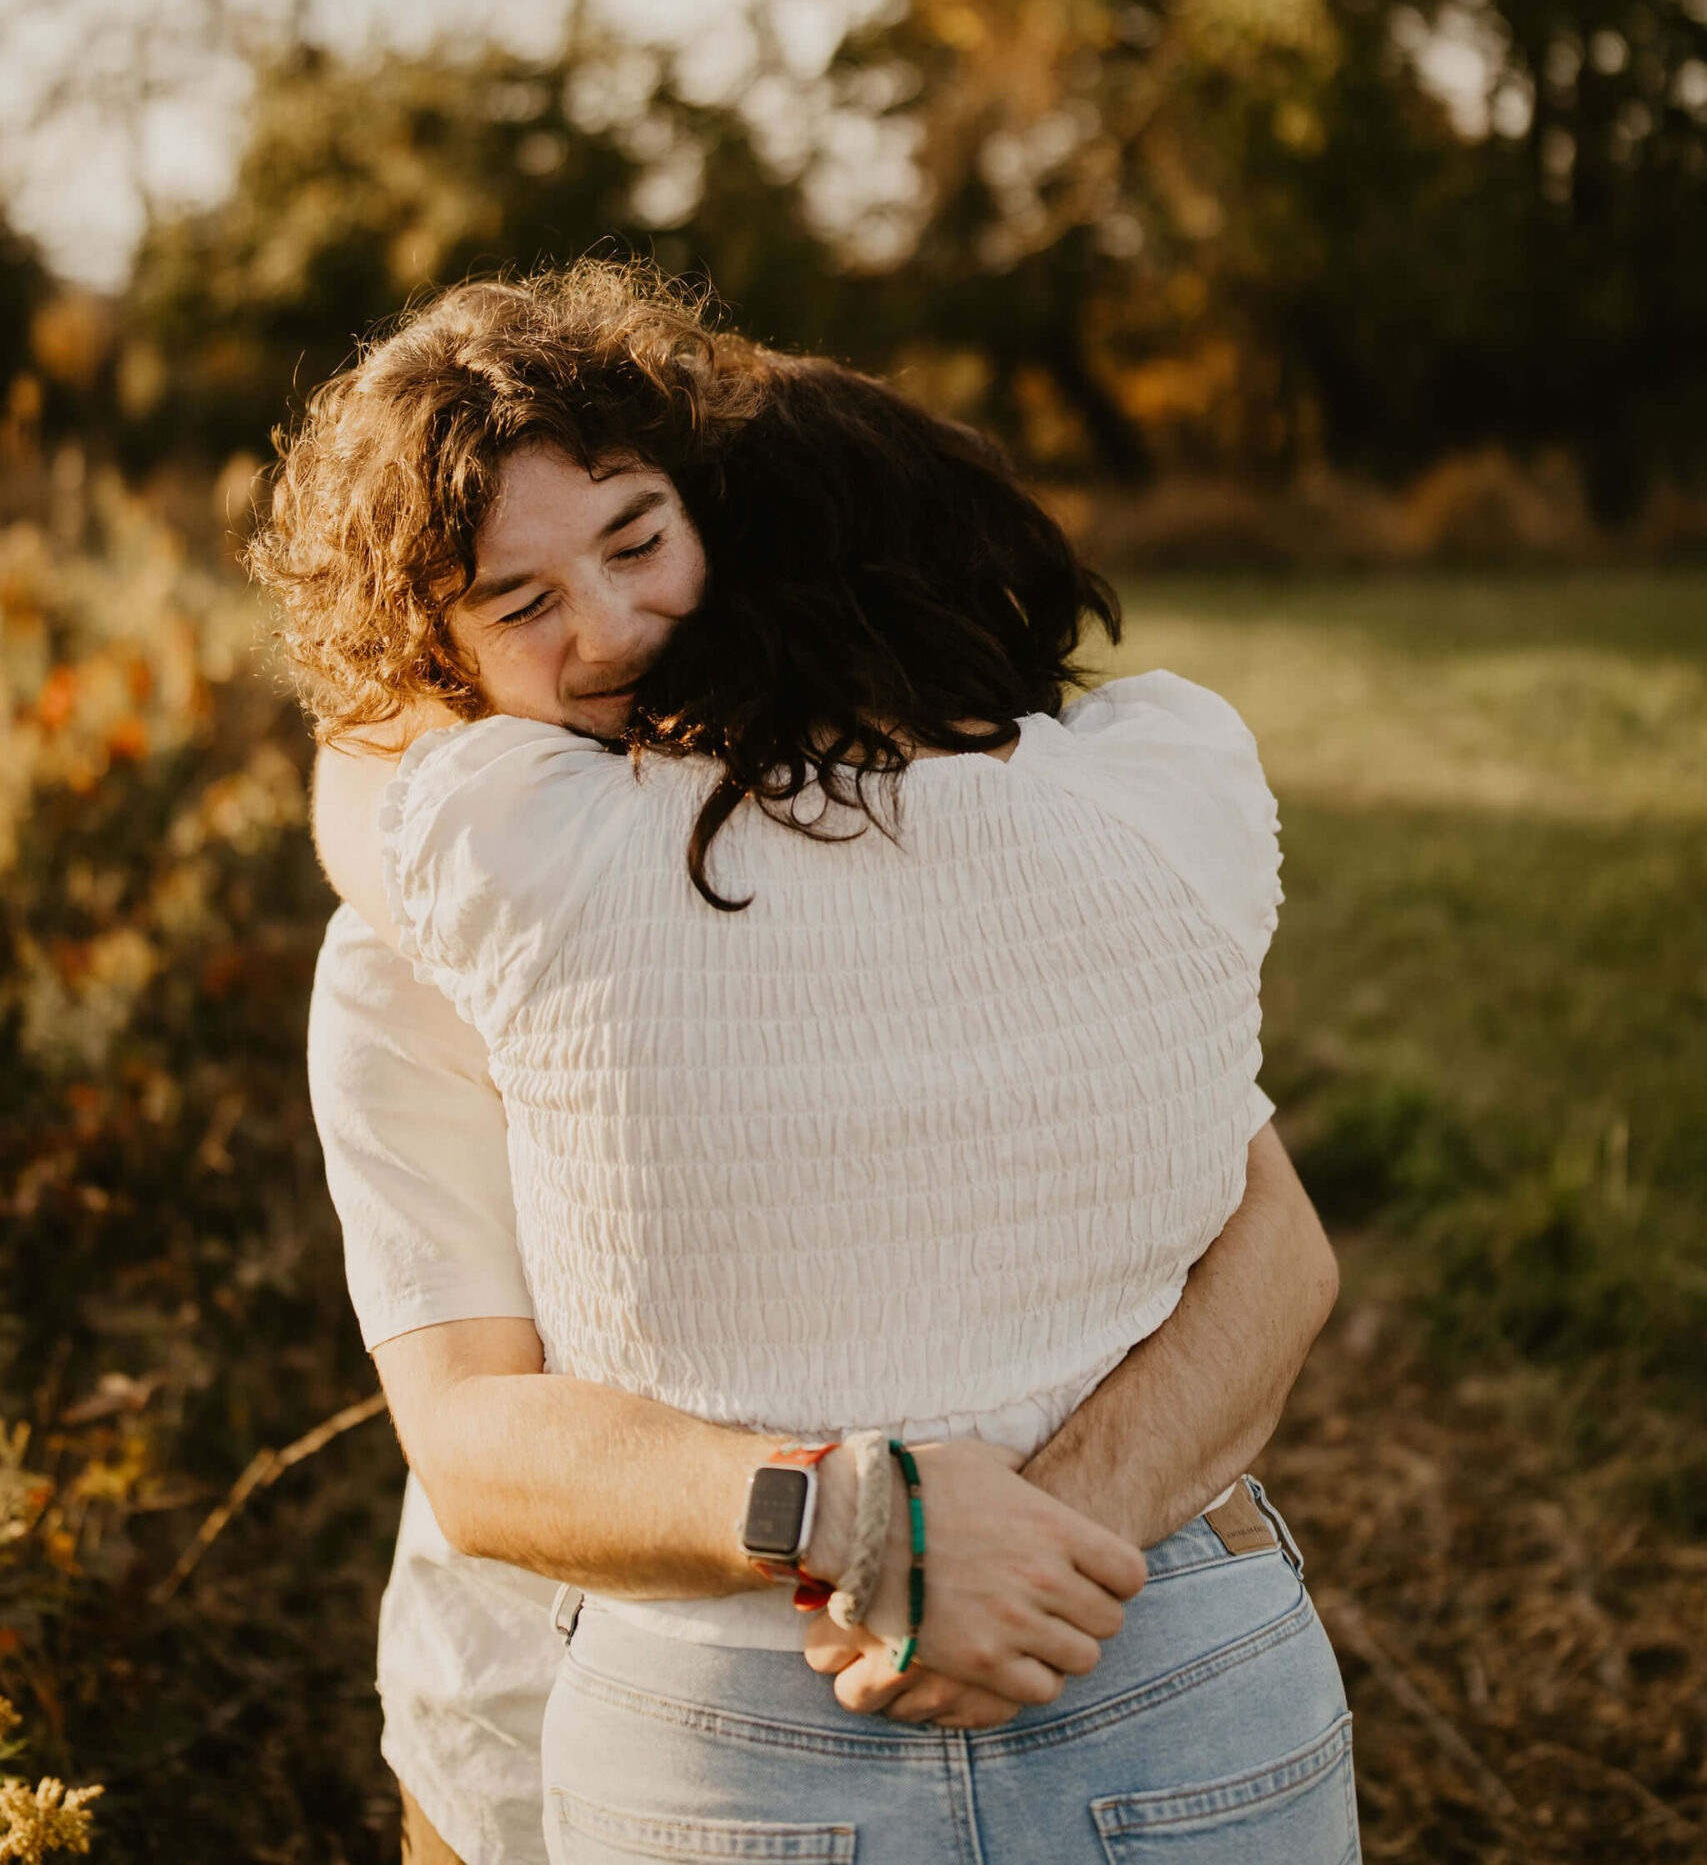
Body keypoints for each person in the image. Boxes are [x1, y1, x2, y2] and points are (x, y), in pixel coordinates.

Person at [258, 267, 1351, 1862]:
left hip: (994, 1652)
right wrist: (877, 1527)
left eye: (641, 544)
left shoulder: (913, 854)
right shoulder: (410, 953)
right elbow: (479, 1440)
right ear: (426, 651)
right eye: (520, 604)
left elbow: (1274, 1248)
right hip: (591, 1657)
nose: (615, 628)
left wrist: (1011, 1564)